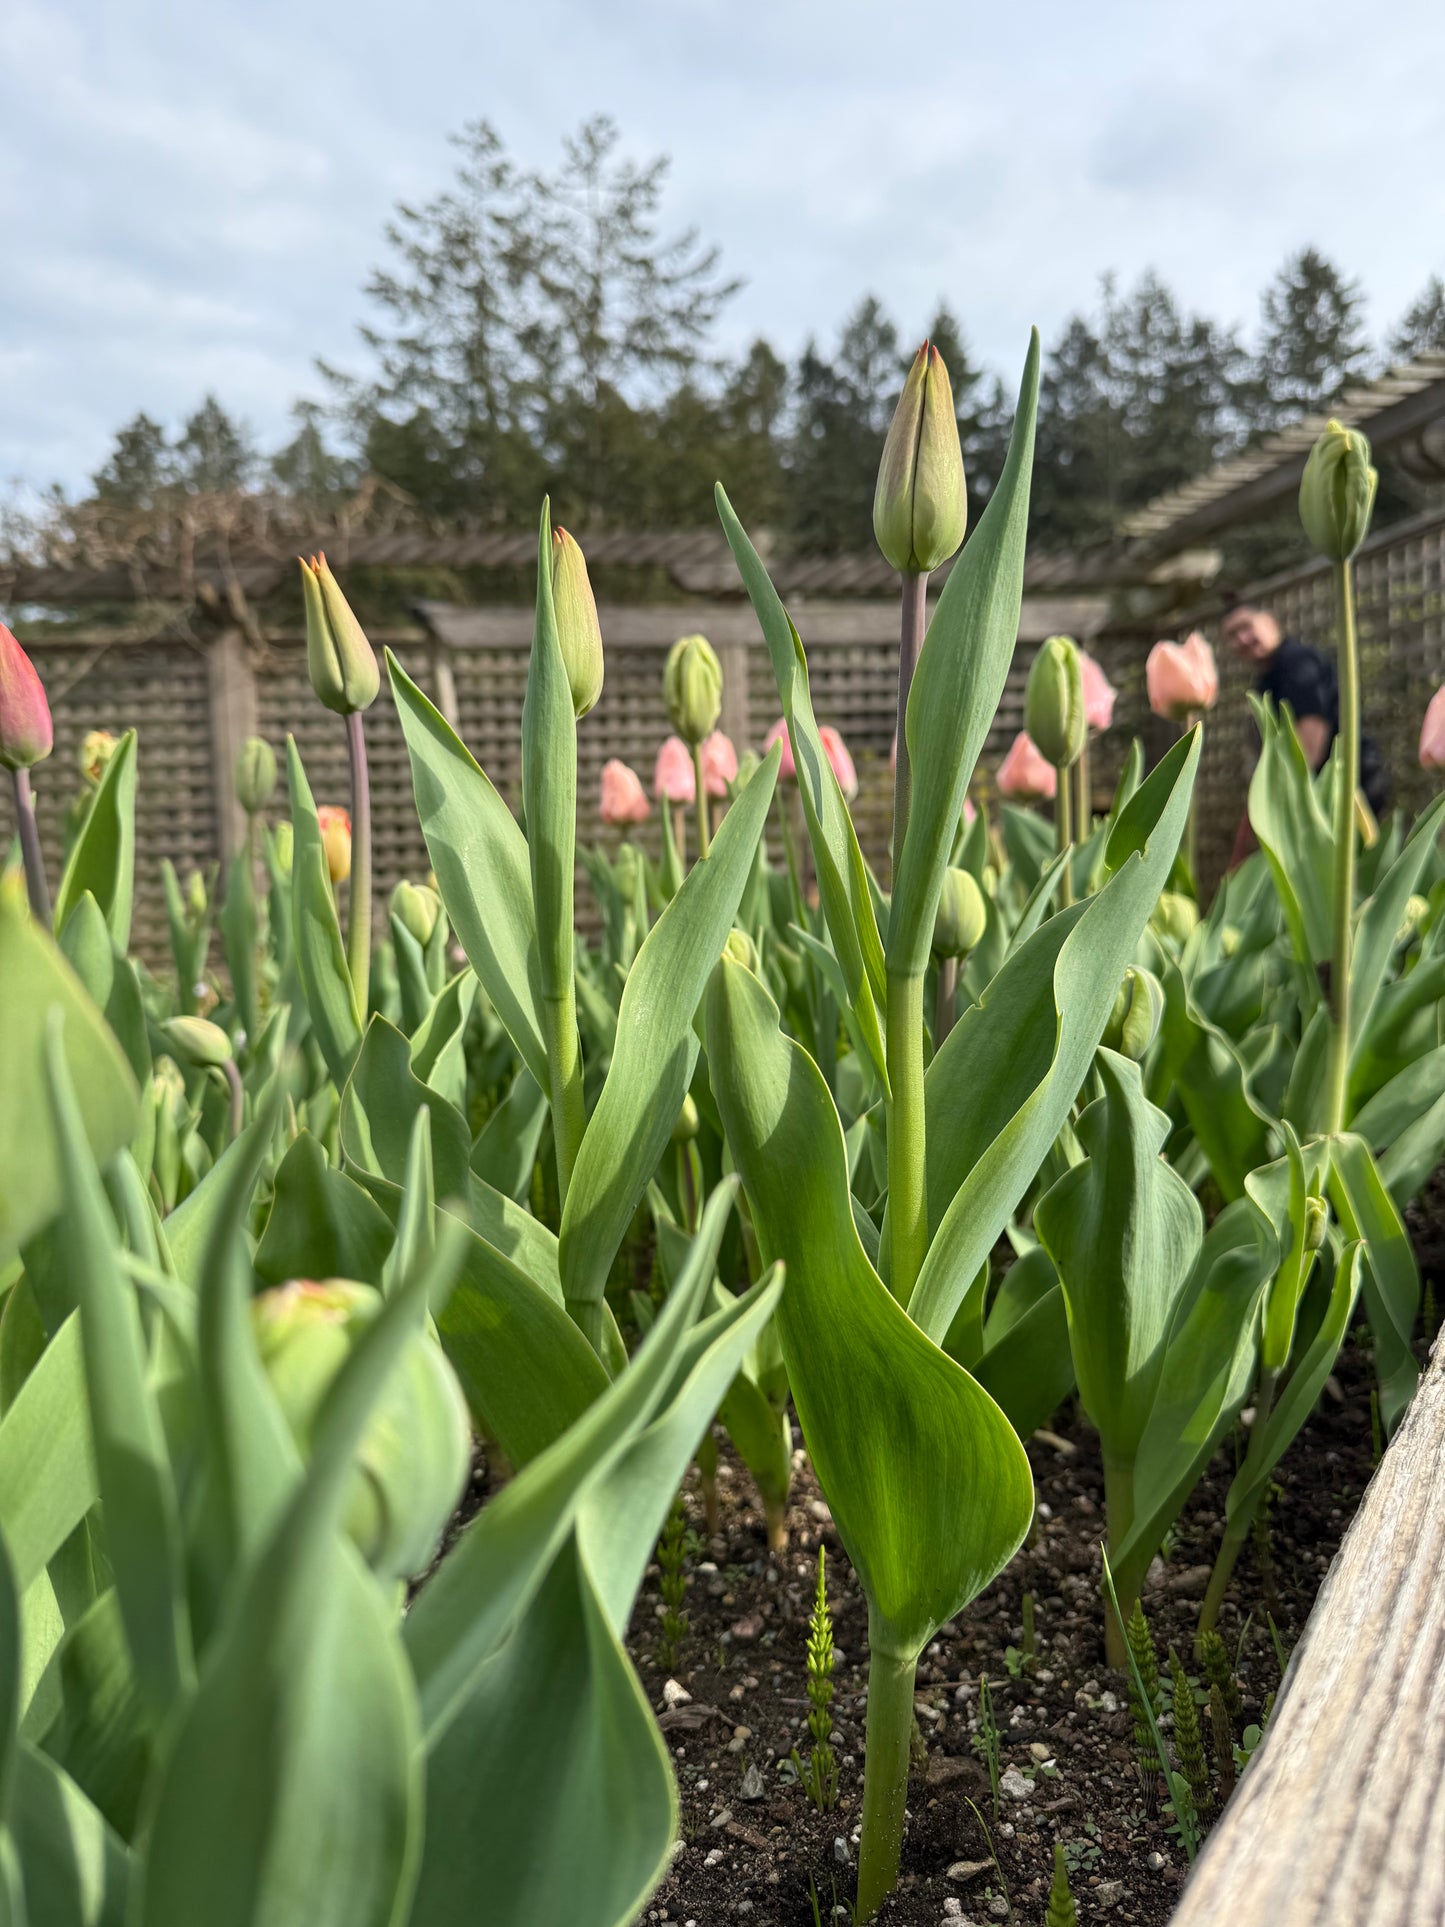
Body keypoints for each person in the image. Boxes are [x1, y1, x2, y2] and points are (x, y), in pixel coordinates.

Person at [1223, 594, 1390, 866]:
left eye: (1246, 626)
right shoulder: (1268, 676)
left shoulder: (1296, 662)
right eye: (1232, 635)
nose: (1242, 638)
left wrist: (1288, 793)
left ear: (1271, 622)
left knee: (1344, 870)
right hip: (1320, 787)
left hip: (1344, 786)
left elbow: (1312, 726)